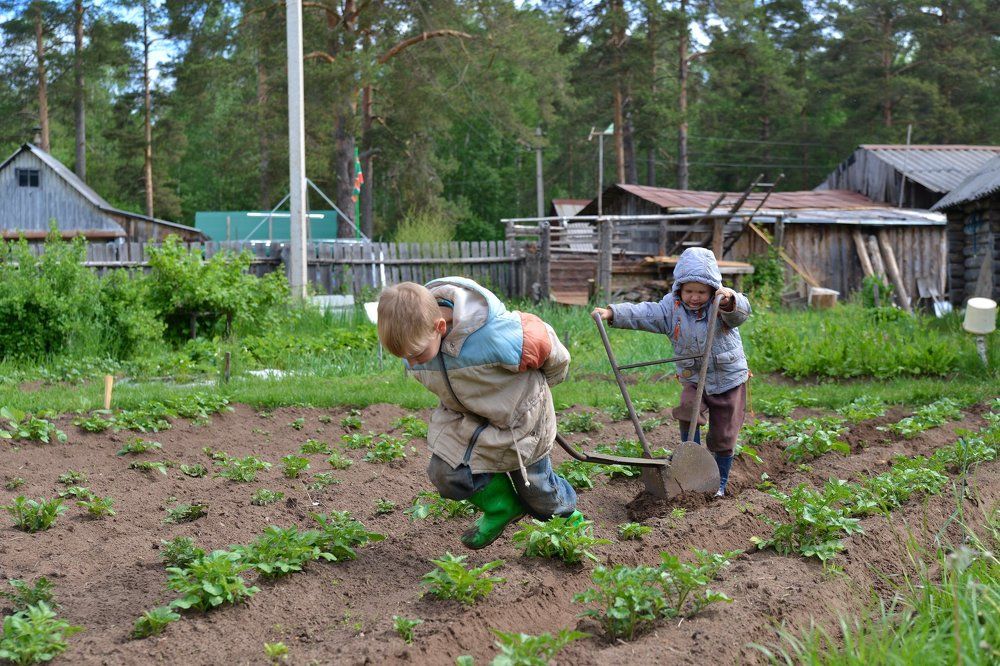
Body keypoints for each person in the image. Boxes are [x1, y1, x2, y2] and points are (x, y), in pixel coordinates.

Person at [377, 277, 578, 548]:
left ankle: (571, 525)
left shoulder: (493, 332)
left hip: (520, 419)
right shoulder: (419, 339)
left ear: (439, 327)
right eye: (404, 357)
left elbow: (551, 350)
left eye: (416, 354)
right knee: (446, 473)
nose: (411, 364)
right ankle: (502, 507)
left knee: (538, 493)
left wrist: (544, 386)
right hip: (468, 419)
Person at [592, 247, 751, 497]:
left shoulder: (720, 305)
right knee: (688, 410)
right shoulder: (671, 309)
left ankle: (719, 481)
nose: (694, 297)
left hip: (727, 379)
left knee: (723, 435)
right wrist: (613, 313)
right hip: (694, 379)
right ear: (679, 289)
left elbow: (740, 313)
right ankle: (692, 461)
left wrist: (730, 299)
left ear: (712, 289)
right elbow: (645, 313)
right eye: (688, 291)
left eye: (701, 292)